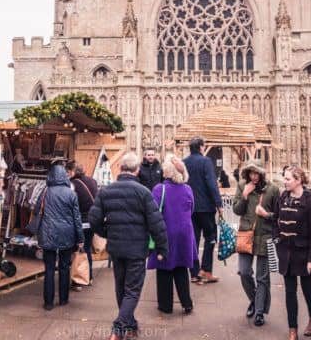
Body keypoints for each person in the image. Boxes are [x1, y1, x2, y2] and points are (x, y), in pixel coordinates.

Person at [89, 152, 168, 340]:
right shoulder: (143, 192)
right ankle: (118, 329)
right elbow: (156, 223)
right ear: (137, 170)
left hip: (116, 247)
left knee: (121, 287)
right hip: (136, 248)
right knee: (132, 290)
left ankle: (130, 325)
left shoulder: (107, 191)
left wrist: (107, 232)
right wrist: (163, 247)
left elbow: (93, 220)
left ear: (121, 168)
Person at [274, 166, 311, 340]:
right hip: (286, 253)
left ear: (298, 180)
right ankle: (292, 328)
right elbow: (275, 220)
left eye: (288, 179)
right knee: (289, 292)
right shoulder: (282, 197)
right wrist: (277, 239)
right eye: (284, 178)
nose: (284, 182)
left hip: (304, 253)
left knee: (308, 289)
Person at [147, 156, 196, 315]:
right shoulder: (188, 189)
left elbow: (153, 214)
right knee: (181, 268)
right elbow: (191, 209)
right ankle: (186, 303)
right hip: (184, 234)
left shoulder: (159, 189)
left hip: (166, 233)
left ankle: (165, 305)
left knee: (164, 270)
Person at [233, 160, 280, 327]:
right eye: (250, 173)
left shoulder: (273, 189)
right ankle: (254, 300)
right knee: (244, 272)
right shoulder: (242, 185)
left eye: (256, 173)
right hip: (246, 234)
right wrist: (245, 195)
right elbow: (237, 210)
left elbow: (279, 215)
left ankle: (259, 311)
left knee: (262, 277)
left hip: (265, 236)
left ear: (261, 173)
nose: (253, 176)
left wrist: (266, 214)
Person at [37, 163, 84, 310]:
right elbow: (77, 218)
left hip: (48, 232)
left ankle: (48, 303)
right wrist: (81, 238)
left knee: (49, 269)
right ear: (65, 176)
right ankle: (63, 299)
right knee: (64, 267)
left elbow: (37, 209)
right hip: (67, 233)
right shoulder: (71, 194)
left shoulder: (45, 191)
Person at [184, 137, 222, 284]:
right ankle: (206, 270)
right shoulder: (205, 161)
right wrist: (219, 204)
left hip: (190, 208)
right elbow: (211, 184)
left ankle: (194, 272)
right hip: (205, 207)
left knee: (193, 238)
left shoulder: (184, 162)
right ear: (201, 147)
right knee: (210, 237)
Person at [66, 161, 99, 286]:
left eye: (68, 171)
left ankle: (78, 281)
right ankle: (89, 277)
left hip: (79, 221)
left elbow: (71, 204)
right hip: (92, 221)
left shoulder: (72, 184)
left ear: (72, 171)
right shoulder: (92, 181)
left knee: (77, 249)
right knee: (87, 249)